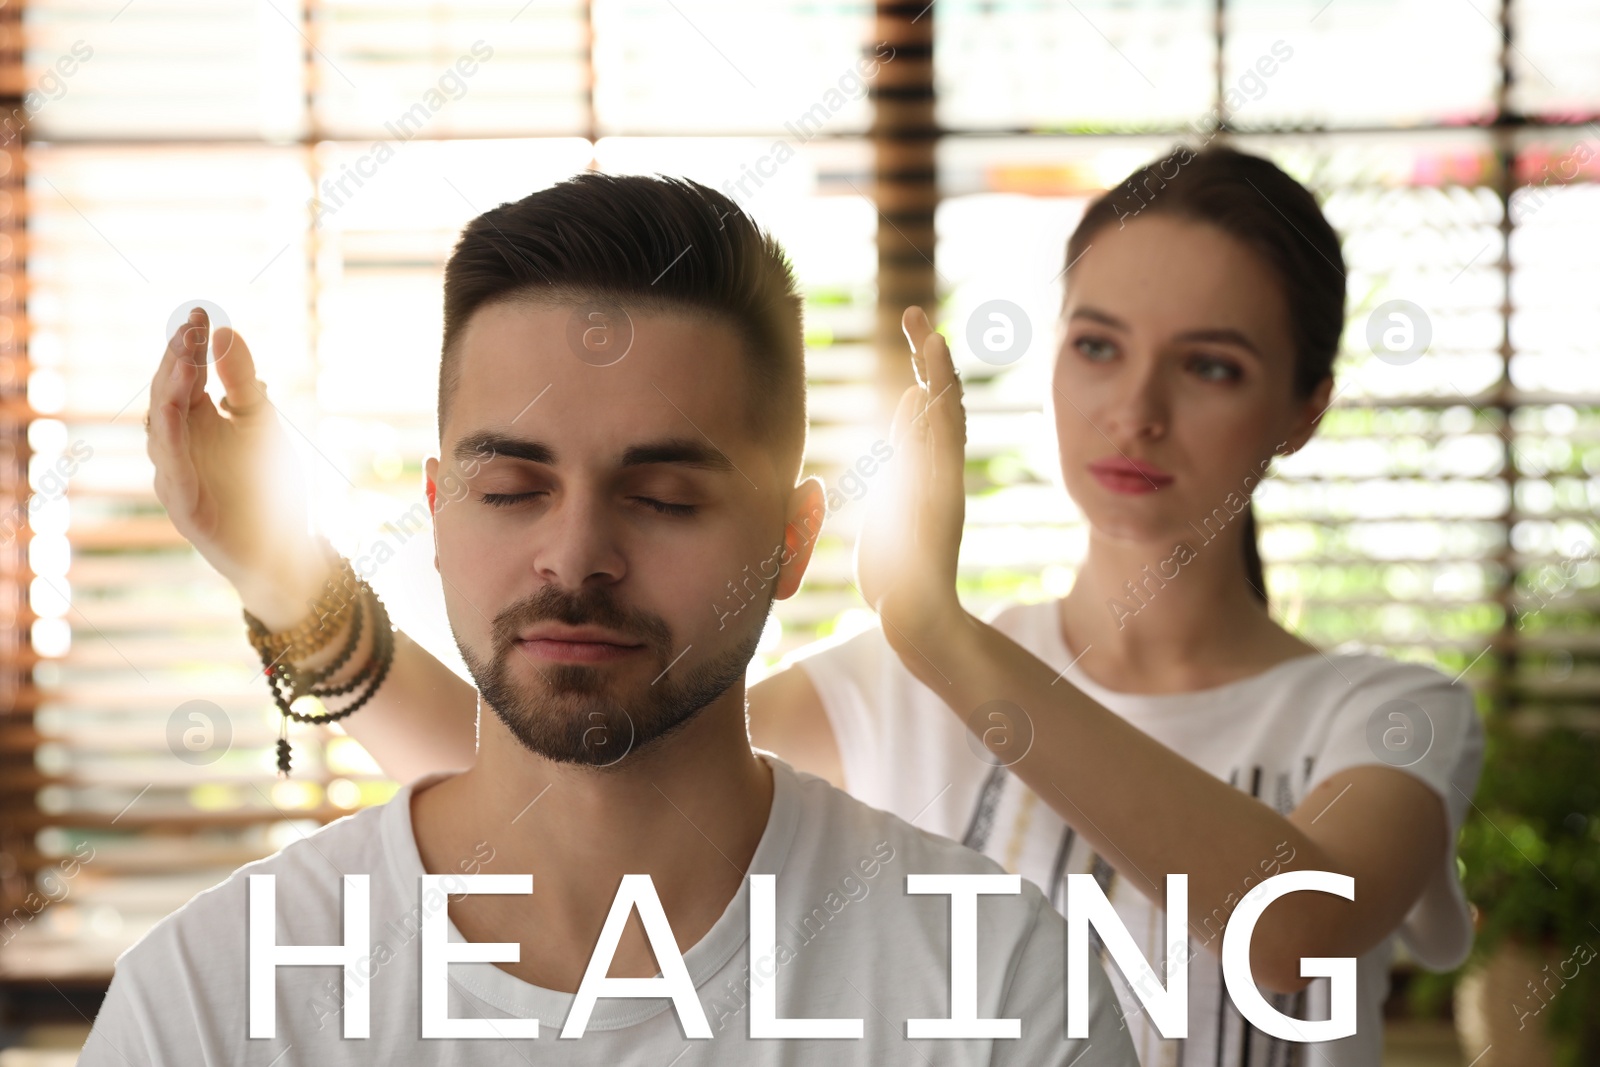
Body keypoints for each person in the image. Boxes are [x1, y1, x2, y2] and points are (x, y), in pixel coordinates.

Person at [222, 145, 1487, 1066]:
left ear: (1307, 407)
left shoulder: (1385, 712)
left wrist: (936, 627)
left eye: (1209, 364)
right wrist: (289, 585)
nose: (1135, 409)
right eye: (1096, 344)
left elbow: (1298, 933)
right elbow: (564, 775)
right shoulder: (893, 683)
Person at [86, 173, 1138, 1065]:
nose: (576, 553)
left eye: (665, 498)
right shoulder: (211, 1002)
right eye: (509, 489)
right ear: (440, 515)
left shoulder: (992, 982)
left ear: (792, 541)